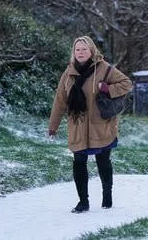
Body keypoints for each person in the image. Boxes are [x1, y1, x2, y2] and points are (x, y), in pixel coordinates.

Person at [48, 36, 132, 213]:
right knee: (79, 161)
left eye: (84, 49)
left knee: (103, 161)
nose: (80, 53)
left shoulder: (105, 69)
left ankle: (107, 196)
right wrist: (53, 126)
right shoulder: (69, 73)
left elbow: (127, 84)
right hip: (77, 125)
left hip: (101, 125)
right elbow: (60, 100)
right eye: (77, 49)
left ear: (92, 51)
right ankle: (83, 202)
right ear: (73, 52)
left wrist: (109, 89)